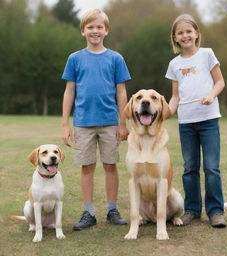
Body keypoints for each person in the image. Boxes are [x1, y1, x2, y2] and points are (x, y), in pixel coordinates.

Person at [61, 9, 131, 230]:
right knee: (87, 167)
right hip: (83, 123)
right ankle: (88, 213)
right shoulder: (75, 59)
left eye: (99, 27)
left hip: (110, 121)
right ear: (83, 31)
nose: (95, 31)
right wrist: (65, 124)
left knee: (111, 165)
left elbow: (121, 93)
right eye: (90, 27)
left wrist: (123, 122)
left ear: (106, 30)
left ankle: (112, 209)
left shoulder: (116, 59)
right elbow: (69, 92)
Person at [165, 14, 226, 228]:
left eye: (189, 31)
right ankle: (191, 210)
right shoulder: (174, 64)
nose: (185, 35)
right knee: (190, 167)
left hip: (208, 121)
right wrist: (166, 112)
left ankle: (216, 211)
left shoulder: (207, 54)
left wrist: (211, 95)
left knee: (211, 167)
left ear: (196, 33)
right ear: (175, 37)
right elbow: (175, 96)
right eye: (180, 32)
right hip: (186, 123)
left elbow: (220, 82)